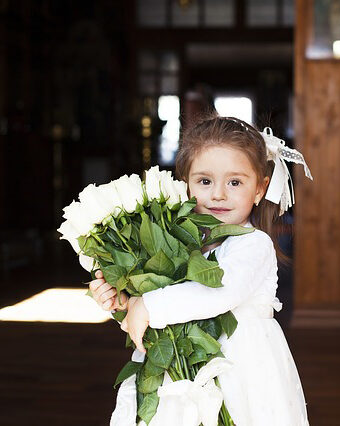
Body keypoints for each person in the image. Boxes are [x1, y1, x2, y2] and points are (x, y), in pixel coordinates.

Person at [89, 116, 312, 426]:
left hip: (240, 373)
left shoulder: (253, 244)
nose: (218, 194)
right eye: (205, 181)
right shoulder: (180, 243)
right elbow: (163, 310)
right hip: (179, 377)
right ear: (186, 184)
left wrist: (149, 306)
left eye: (235, 182)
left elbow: (219, 293)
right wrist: (125, 302)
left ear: (260, 188)